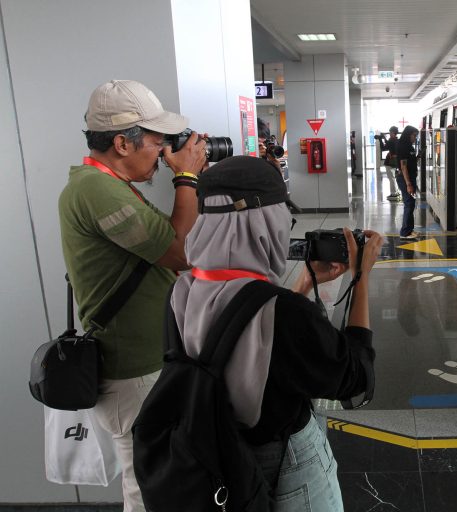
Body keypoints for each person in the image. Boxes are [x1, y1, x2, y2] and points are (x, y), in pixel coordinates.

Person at [170, 155, 383, 509]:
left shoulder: (183, 290)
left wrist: (301, 285)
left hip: (211, 453)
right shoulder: (285, 313)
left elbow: (245, 331)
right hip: (284, 465)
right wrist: (361, 278)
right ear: (263, 224)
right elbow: (356, 377)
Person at [58, 79, 208, 510]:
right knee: (146, 487)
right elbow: (180, 250)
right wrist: (186, 176)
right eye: (158, 142)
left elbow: (172, 240)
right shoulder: (94, 189)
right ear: (123, 143)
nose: (163, 152)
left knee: (159, 478)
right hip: (132, 372)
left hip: (147, 364)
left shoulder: (113, 186)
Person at [396, 125, 420, 239]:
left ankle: (409, 230)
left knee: (411, 203)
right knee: (409, 203)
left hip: (410, 178)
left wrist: (419, 156)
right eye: (414, 135)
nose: (415, 138)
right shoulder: (403, 146)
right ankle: (405, 232)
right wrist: (408, 184)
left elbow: (410, 161)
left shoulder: (409, 146)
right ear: (408, 134)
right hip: (405, 179)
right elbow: (403, 166)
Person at [379, 126, 400, 201]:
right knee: (393, 177)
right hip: (395, 161)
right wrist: (384, 139)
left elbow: (383, 148)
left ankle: (393, 193)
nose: (390, 133)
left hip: (390, 161)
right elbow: (390, 146)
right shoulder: (397, 140)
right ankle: (396, 191)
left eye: (391, 132)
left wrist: (380, 140)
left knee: (391, 178)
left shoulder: (391, 141)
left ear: (394, 133)